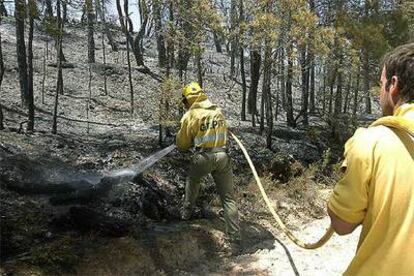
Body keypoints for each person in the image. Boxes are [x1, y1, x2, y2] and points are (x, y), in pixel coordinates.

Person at [328, 43, 414, 275]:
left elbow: (342, 224)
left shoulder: (371, 141)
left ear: (393, 85)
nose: (379, 92)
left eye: (381, 82)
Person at [176, 82, 241, 249]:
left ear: (187, 99)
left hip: (204, 156)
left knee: (193, 181)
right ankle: (235, 239)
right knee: (228, 198)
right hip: (222, 156)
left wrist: (188, 139)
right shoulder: (217, 111)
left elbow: (182, 144)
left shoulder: (191, 115)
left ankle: (186, 214)